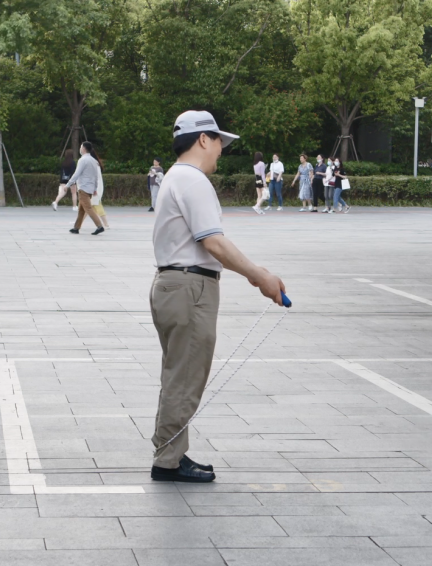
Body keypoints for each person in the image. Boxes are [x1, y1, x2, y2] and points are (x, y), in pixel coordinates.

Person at [150, 110, 286, 482]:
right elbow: (213, 242)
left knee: (178, 374)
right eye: (218, 142)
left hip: (175, 285)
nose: (221, 150)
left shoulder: (174, 177)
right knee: (185, 377)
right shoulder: (192, 179)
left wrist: (254, 273)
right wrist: (260, 276)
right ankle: (167, 460)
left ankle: (171, 453)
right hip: (189, 288)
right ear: (202, 139)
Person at [63, 142, 106, 235]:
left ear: (84, 149)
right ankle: (76, 228)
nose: (80, 148)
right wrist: (95, 188)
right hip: (90, 189)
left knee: (88, 208)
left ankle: (99, 226)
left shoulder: (82, 160)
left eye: (81, 147)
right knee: (81, 209)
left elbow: (76, 174)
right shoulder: (94, 161)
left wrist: (67, 185)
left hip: (83, 188)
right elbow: (96, 176)